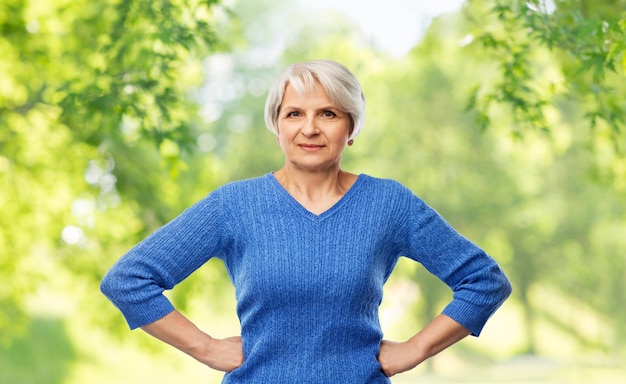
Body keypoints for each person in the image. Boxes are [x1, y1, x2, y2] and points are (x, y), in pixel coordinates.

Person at [100, 59, 512, 383]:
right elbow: (129, 281)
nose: (310, 129)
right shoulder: (234, 205)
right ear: (276, 127)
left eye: (328, 113)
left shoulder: (388, 204)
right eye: (294, 114)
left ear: (351, 127)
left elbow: (484, 281)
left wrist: (414, 350)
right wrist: (205, 348)